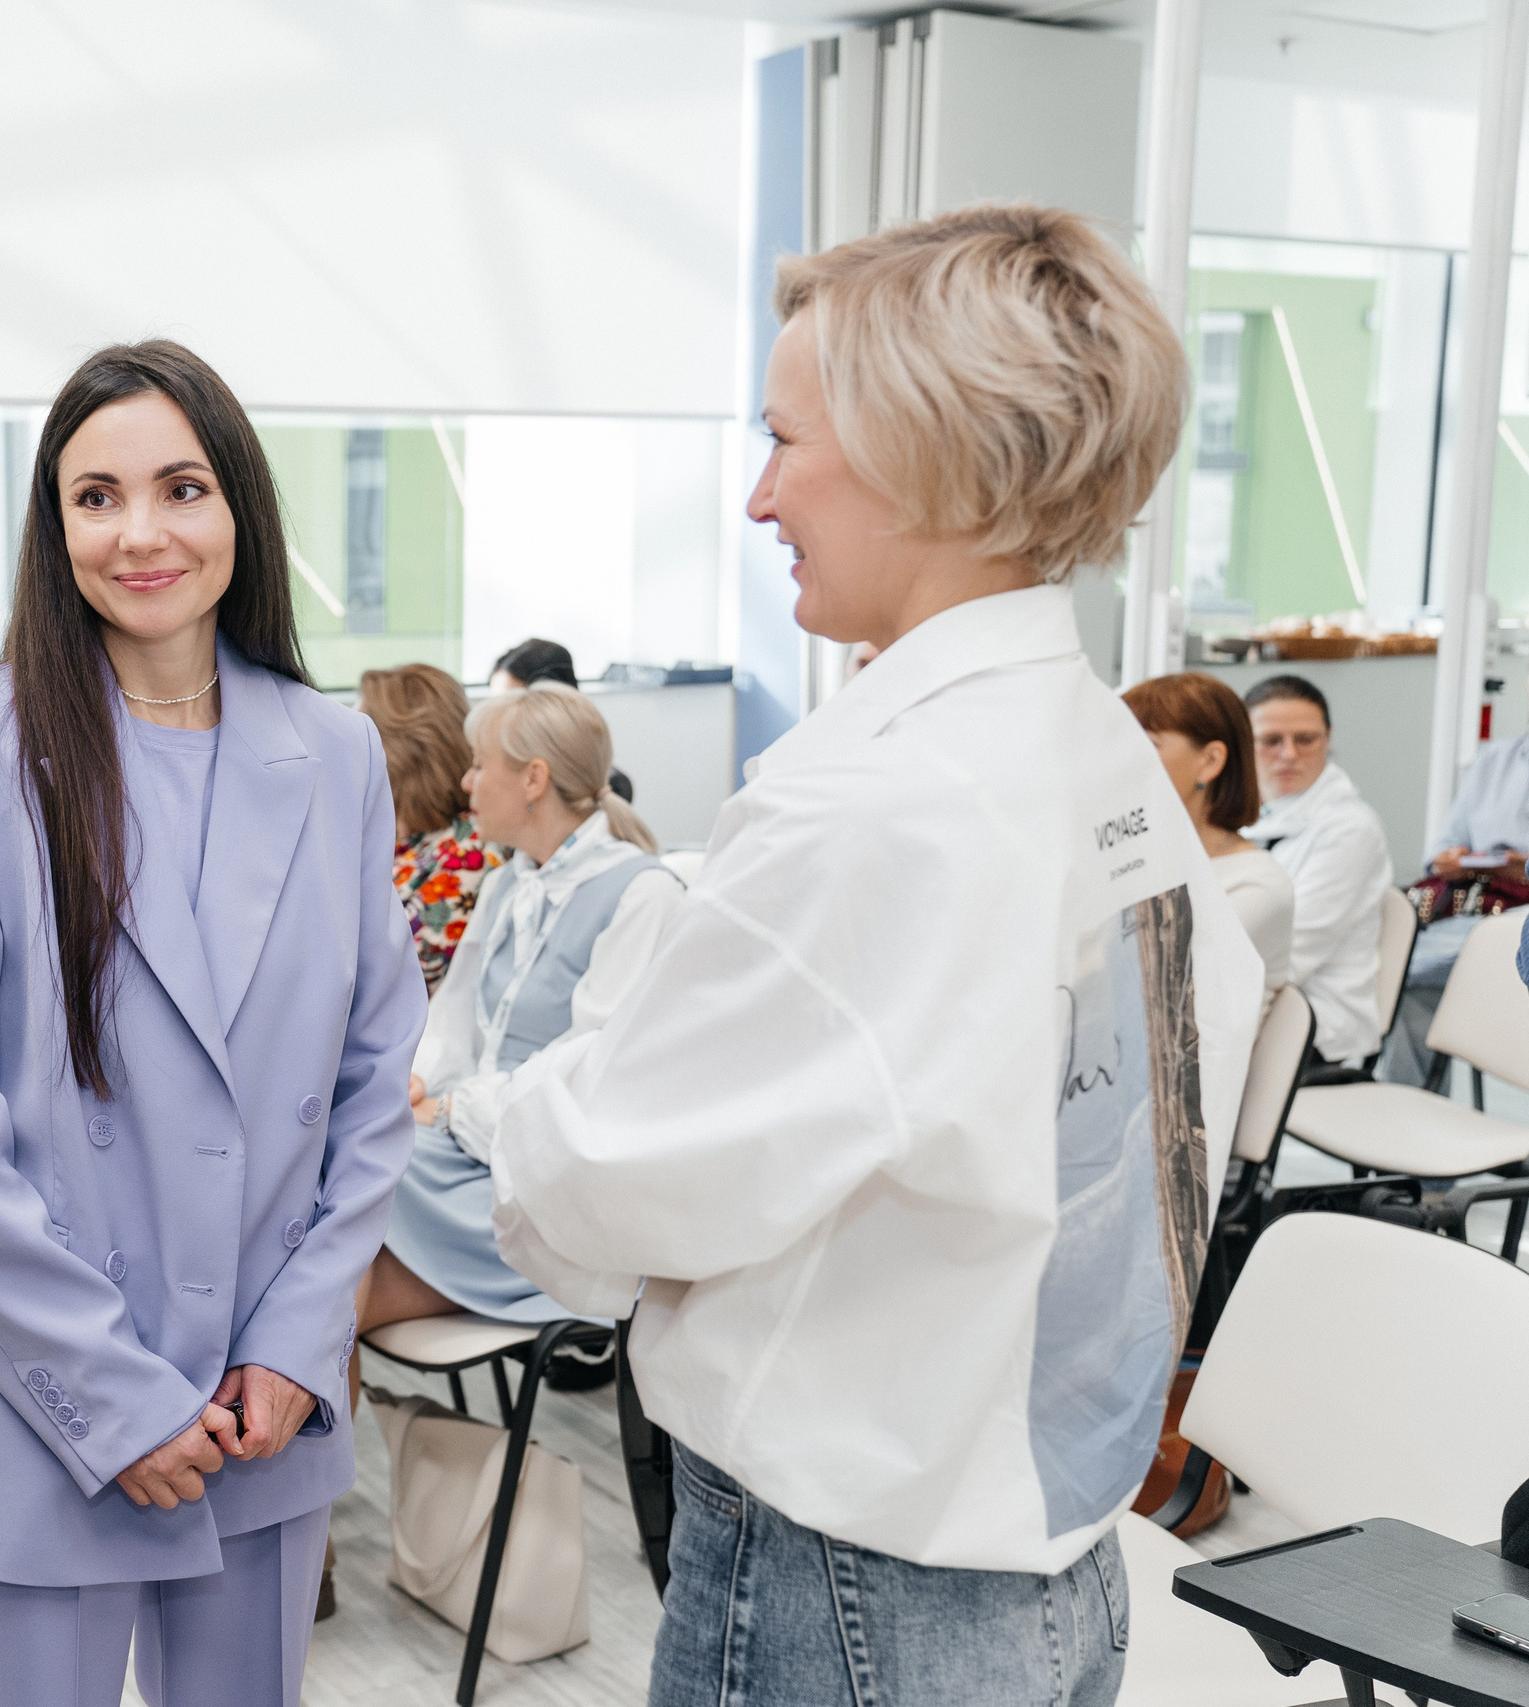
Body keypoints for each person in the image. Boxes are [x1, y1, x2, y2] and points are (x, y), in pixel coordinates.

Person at [485, 205, 1263, 1706]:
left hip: (847, 1594)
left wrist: (544, 1084)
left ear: (925, 446)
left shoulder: (877, 801)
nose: (763, 494)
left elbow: (595, 1183)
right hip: (1046, 1564)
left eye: (785, 439)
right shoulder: (1093, 752)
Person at [0, 339, 425, 1707]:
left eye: (180, 487)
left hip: (261, 1410)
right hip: (31, 1406)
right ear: (54, 530)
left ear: (239, 504)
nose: (141, 533)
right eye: (95, 496)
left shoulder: (335, 752)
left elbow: (372, 1082)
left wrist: (303, 1339)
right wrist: (111, 1399)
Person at [363, 681, 681, 1343]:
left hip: (547, 1194)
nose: (466, 781)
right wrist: (415, 1083)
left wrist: (447, 1108)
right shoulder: (511, 881)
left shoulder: (641, 893)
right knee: (324, 1221)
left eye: (481, 765)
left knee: (326, 1278)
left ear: (533, 779)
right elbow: (453, 1021)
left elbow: (590, 1079)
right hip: (469, 1157)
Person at [1242, 675, 1394, 1067]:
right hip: (1260, 998)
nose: (1289, 754)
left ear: (1327, 739)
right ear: (1244, 741)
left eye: (1305, 739)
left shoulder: (1348, 829)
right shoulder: (1248, 814)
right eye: (1271, 740)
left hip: (1313, 1020)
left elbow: (1293, 953)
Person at [1124, 672, 1295, 999]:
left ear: (1210, 761)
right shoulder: (1140, 858)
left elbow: (1153, 980)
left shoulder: (1256, 885)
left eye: (1145, 744)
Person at [1381, 732, 1529, 1082]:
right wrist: (1454, 860)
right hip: (1472, 903)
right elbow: (1439, 851)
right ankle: (1410, 1103)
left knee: (1407, 966)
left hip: (1513, 913)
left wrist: (1517, 867)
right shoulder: (1496, 757)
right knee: (1404, 969)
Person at [357, 663, 493, 992]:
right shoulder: (403, 835)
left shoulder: (466, 854)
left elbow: (403, 985)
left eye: (358, 738)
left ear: (402, 752)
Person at [490, 638, 634, 803]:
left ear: (553, 704)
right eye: (494, 706)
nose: (497, 718)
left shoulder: (604, 789)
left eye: (510, 705)